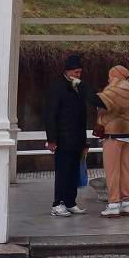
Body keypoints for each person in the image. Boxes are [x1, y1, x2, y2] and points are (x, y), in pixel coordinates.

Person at [90, 65, 129, 218]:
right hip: (127, 133)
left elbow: (99, 101)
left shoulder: (116, 89)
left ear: (116, 76)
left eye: (110, 76)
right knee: (124, 170)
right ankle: (126, 203)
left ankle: (114, 204)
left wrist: (82, 87)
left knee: (112, 171)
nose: (109, 79)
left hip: (113, 134)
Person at [44, 54, 89, 217]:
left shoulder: (78, 88)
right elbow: (50, 114)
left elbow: (82, 116)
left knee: (73, 171)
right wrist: (51, 139)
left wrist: (84, 141)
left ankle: (70, 202)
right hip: (63, 138)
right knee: (62, 171)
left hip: (77, 138)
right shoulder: (57, 87)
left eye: (80, 72)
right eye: (76, 72)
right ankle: (58, 203)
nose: (78, 75)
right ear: (68, 71)